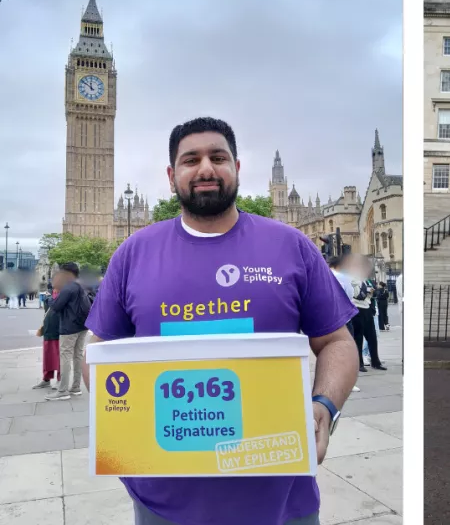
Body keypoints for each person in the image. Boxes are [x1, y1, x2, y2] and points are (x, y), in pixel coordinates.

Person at [83, 117, 359, 525]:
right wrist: (123, 419)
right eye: (190, 159)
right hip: (163, 499)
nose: (206, 168)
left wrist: (324, 405)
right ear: (172, 174)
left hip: (280, 497)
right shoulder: (134, 251)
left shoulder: (290, 245)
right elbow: (99, 347)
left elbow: (338, 341)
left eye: (218, 157)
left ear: (237, 168)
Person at [45, 263, 90, 401]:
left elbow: (56, 306)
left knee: (65, 357)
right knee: (77, 356)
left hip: (69, 327)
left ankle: (63, 390)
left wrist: (49, 298)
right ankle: (76, 387)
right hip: (82, 327)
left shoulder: (68, 288)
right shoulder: (81, 285)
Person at [328, 254, 360, 393]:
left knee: (331, 351)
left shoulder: (324, 275)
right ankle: (346, 383)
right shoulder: (343, 277)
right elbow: (352, 294)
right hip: (344, 317)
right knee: (347, 350)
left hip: (329, 317)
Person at [349, 255, 386, 373]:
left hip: (367, 308)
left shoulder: (365, 278)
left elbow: (372, 290)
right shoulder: (352, 277)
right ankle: (359, 363)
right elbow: (356, 294)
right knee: (358, 338)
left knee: (372, 337)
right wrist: (367, 291)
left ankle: (375, 361)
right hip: (357, 309)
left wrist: (370, 290)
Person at [33, 287, 61, 390]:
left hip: (59, 331)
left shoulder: (65, 294)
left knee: (59, 357)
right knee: (47, 356)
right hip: (48, 330)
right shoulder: (49, 296)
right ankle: (46, 379)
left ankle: (60, 379)